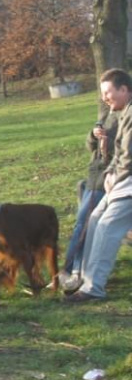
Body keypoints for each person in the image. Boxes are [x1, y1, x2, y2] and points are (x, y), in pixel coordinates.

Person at [64, 68, 132, 303]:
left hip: (128, 183)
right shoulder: (123, 112)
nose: (105, 98)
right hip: (122, 180)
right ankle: (83, 277)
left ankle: (94, 288)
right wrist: (110, 172)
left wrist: (115, 177)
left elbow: (129, 156)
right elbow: (119, 151)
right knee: (93, 219)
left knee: (106, 226)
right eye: (103, 93)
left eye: (108, 92)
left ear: (124, 89)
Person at [60, 113, 118, 292]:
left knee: (85, 224)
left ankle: (74, 271)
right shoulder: (109, 113)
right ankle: (73, 270)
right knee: (83, 223)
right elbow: (91, 146)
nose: (106, 97)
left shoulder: (126, 115)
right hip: (95, 176)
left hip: (108, 178)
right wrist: (94, 135)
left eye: (109, 92)